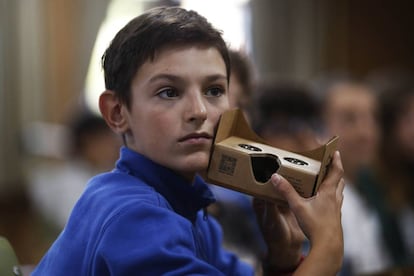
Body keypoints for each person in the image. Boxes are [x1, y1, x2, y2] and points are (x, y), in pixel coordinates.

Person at [32, 6, 345, 275]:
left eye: (214, 91)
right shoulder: (134, 214)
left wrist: (283, 258)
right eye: (169, 92)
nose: (199, 111)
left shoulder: (189, 206)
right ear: (117, 113)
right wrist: (327, 249)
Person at [312, 73, 391, 275]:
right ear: (318, 128)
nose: (367, 132)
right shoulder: (314, 200)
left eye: (372, 118)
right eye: (349, 119)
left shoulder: (368, 190)